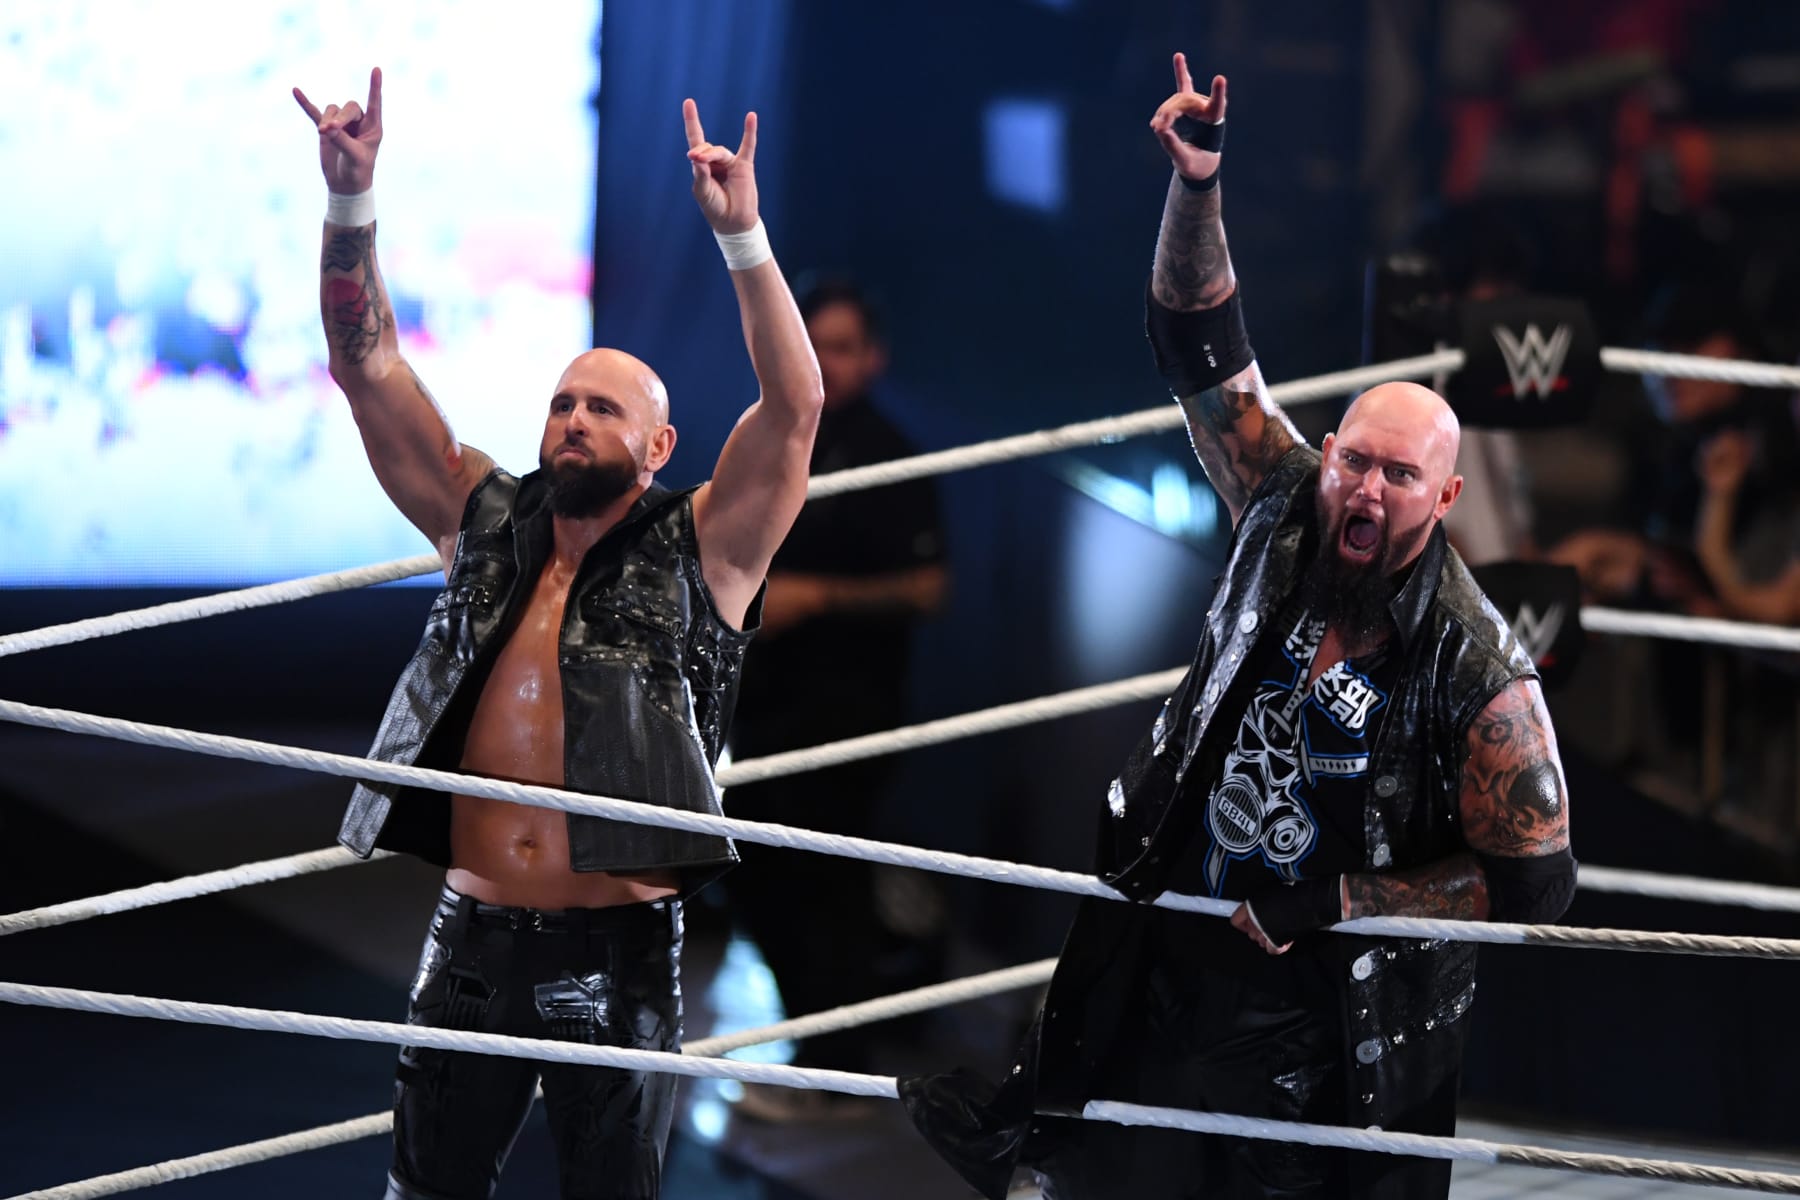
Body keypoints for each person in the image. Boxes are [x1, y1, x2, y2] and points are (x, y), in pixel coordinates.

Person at [902, 55, 1577, 1200]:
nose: (1364, 492)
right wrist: (1198, 186)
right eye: (1353, 461)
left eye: (1398, 478)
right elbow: (1197, 341)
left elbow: (1537, 882)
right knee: (1092, 1169)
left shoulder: (1477, 667)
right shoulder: (1283, 498)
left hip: (1320, 1012)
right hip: (1174, 930)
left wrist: (1339, 905)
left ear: (1445, 499)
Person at [292, 69, 823, 1199]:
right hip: (471, 936)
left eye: (603, 408)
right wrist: (350, 202)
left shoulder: (707, 549)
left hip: (618, 952)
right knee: (424, 1190)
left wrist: (744, 240)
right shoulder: (484, 518)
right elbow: (367, 365)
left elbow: (793, 411)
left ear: (661, 444)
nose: (572, 422)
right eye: (561, 402)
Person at [724, 277, 948, 1120]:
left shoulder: (895, 453)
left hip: (850, 704)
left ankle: (836, 1068)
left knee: (827, 880)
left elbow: (930, 587)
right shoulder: (769, 440)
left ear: (875, 356)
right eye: (814, 342)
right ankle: (821, 1050)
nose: (827, 361)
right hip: (765, 699)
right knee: (760, 872)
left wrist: (818, 598)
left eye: (844, 345)